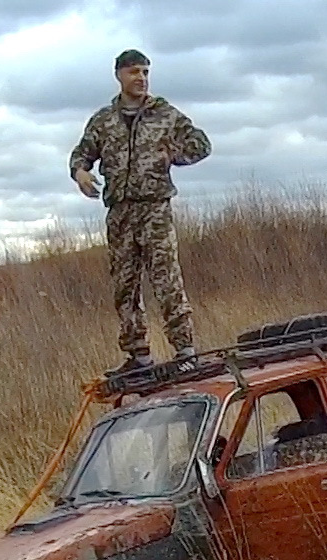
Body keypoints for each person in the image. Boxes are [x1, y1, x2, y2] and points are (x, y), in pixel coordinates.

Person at [69, 49, 211, 369]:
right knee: (125, 284)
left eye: (145, 72)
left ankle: (185, 351)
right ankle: (138, 354)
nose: (141, 78)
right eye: (134, 72)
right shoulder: (103, 121)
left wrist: (171, 154)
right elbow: (81, 154)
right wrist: (80, 173)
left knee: (166, 279)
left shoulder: (165, 114)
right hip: (120, 212)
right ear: (119, 75)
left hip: (154, 209)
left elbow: (201, 145)